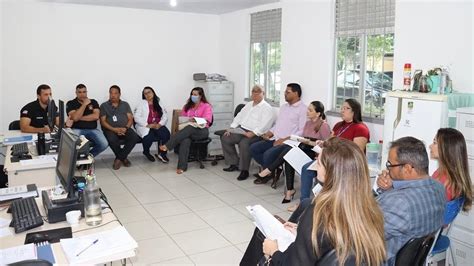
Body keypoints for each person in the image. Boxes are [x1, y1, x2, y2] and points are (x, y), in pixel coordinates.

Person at [240, 137, 386, 266]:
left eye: (319, 162)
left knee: (262, 234)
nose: (315, 165)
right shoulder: (371, 210)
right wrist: (301, 231)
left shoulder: (318, 212)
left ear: (331, 172)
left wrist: (274, 251)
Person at [288, 98, 369, 211]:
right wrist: (323, 143)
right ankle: (304, 203)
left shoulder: (361, 128)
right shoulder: (338, 125)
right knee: (306, 168)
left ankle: (322, 204)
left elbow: (357, 152)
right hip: (330, 159)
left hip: (344, 163)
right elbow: (330, 141)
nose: (342, 110)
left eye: (346, 108)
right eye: (342, 108)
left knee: (321, 173)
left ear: (354, 111)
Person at [375, 136, 445, 265]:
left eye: (390, 164)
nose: (388, 169)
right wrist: (390, 188)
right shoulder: (439, 187)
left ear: (407, 168)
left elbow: (362, 233)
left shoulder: (397, 203)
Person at [378, 128, 472, 212]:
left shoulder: (444, 182)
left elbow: (418, 204)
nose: (430, 146)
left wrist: (391, 189)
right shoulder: (445, 175)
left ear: (446, 149)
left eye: (435, 143)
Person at [256, 101, 331, 198]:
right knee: (289, 157)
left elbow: (327, 145)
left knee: (289, 152)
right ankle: (289, 191)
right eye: (308, 109)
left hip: (314, 154)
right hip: (304, 149)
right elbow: (304, 139)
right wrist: (301, 140)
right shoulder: (307, 123)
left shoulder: (323, 125)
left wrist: (308, 142)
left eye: (310, 110)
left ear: (318, 113)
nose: (307, 112)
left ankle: (270, 170)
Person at [250, 83, 307, 184]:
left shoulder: (302, 109)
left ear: (296, 93)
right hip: (275, 138)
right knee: (254, 148)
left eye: (287, 92)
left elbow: (302, 131)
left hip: (287, 143)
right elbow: (278, 124)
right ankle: (272, 170)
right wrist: (269, 132)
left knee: (267, 155)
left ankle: (268, 172)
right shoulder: (284, 107)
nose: (285, 94)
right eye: (285, 92)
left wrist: (284, 140)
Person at [218, 85, 275, 180]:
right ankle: (233, 163)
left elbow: (265, 125)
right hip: (242, 129)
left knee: (244, 143)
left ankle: (244, 170)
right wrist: (232, 127)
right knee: (226, 137)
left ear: (263, 94)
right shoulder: (249, 104)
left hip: (257, 133)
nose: (255, 94)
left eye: (258, 92)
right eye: (253, 92)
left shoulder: (267, 108)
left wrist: (253, 133)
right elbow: (239, 116)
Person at [159, 87, 213, 174]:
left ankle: (168, 145)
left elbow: (207, 119)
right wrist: (187, 120)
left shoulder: (206, 106)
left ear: (200, 96)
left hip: (202, 131)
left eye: (195, 94)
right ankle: (182, 167)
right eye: (192, 94)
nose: (193, 96)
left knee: (190, 128)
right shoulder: (187, 106)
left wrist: (195, 119)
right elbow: (182, 119)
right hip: (188, 131)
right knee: (185, 139)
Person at [100, 85, 140, 170]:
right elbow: (103, 122)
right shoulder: (104, 105)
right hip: (110, 129)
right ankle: (123, 158)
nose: (113, 95)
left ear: (119, 94)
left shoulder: (125, 104)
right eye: (111, 93)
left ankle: (119, 158)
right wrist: (114, 129)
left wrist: (126, 128)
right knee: (111, 139)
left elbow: (130, 119)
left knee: (134, 137)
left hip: (124, 128)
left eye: (115, 93)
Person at [65, 84, 108, 157]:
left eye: (84, 92)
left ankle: (87, 158)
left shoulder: (93, 102)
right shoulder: (70, 103)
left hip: (92, 129)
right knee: (73, 145)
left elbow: (96, 116)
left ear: (86, 92)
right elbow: (74, 118)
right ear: (76, 93)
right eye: (80, 92)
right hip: (76, 129)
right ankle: (76, 160)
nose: (82, 94)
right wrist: (84, 104)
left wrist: (79, 117)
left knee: (104, 144)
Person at [134, 86, 171, 163]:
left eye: (149, 92)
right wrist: (147, 124)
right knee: (148, 137)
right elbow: (136, 117)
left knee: (166, 134)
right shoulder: (141, 104)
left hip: (157, 125)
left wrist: (160, 124)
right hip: (145, 126)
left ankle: (163, 153)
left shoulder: (159, 102)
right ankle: (146, 152)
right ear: (143, 95)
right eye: (145, 93)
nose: (147, 94)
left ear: (153, 93)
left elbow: (165, 116)